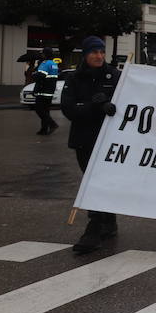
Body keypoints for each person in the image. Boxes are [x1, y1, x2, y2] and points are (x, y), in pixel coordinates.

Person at [61, 36, 121, 254]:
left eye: (101, 52)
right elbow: (68, 109)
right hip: (84, 140)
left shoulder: (114, 76)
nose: (99, 56)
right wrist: (92, 107)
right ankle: (108, 222)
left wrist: (111, 106)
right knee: (92, 179)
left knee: (98, 182)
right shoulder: (74, 79)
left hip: (108, 140)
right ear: (85, 54)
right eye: (94, 52)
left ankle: (94, 229)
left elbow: (127, 105)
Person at [33, 47, 59, 135]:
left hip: (43, 90)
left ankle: (52, 124)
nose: (42, 55)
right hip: (50, 90)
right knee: (46, 110)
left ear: (45, 54)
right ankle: (44, 129)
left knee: (39, 109)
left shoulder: (45, 63)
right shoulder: (54, 63)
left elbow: (40, 76)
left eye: (43, 53)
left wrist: (34, 74)